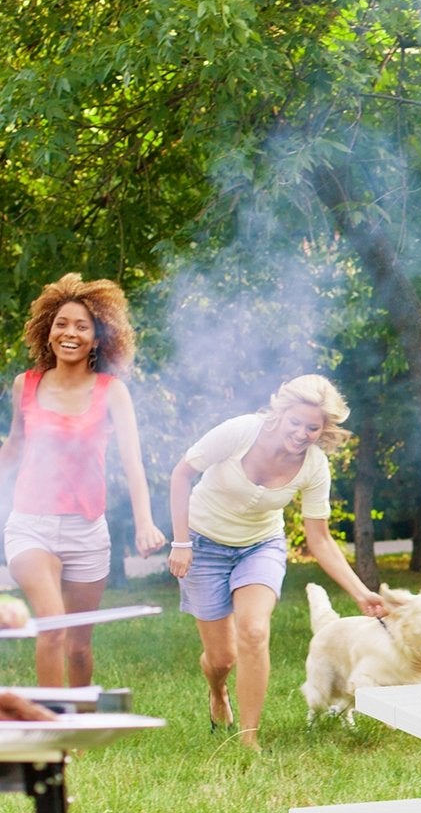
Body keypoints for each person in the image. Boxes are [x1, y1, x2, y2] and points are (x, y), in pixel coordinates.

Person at [169, 375, 385, 747]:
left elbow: (319, 537)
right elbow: (181, 473)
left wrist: (360, 592)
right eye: (295, 423)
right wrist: (181, 541)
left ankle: (248, 739)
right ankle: (218, 691)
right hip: (203, 544)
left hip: (260, 545)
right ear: (280, 414)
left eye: (312, 428)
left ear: (324, 429)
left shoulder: (314, 467)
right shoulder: (241, 432)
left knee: (254, 630)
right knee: (221, 658)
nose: (302, 433)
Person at [0, 274, 166, 685]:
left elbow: (132, 463)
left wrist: (145, 522)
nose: (69, 333)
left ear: (97, 339)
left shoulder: (111, 391)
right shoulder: (26, 385)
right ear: (47, 331)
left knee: (77, 646)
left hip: (87, 531)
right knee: (52, 626)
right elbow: (14, 450)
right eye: (61, 323)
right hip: (30, 526)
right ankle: (52, 738)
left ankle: (79, 728)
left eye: (81, 326)